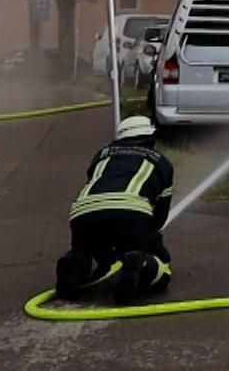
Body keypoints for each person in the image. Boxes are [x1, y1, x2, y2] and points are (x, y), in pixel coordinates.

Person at [54, 114, 175, 304]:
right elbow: (159, 218)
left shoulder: (101, 155)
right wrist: (148, 243)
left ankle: (75, 263)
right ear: (151, 138)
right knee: (162, 269)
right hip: (131, 211)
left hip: (84, 214)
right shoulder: (162, 162)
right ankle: (139, 262)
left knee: (91, 255)